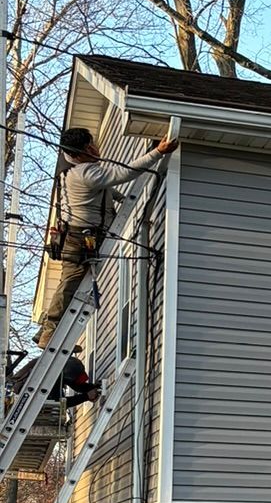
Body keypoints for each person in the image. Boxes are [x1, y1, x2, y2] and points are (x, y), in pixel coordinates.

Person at [35, 127, 177, 349]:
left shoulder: (75, 167)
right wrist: (158, 152)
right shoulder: (86, 172)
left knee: (71, 285)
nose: (95, 147)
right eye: (90, 145)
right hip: (81, 239)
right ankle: (49, 333)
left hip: (76, 237)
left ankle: (46, 330)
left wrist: (121, 198)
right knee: (70, 285)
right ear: (82, 152)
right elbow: (124, 173)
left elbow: (105, 191)